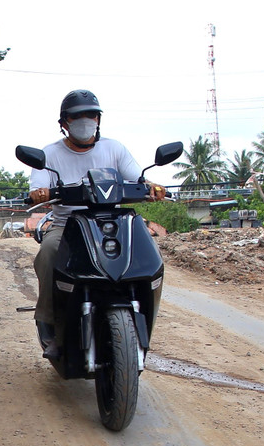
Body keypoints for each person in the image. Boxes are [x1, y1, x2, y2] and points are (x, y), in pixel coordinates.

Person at [27, 89, 165, 358]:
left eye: (91, 115)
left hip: (113, 222)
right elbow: (38, 187)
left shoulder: (114, 148)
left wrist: (152, 187)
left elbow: (137, 180)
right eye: (77, 116)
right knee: (48, 253)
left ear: (99, 119)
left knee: (151, 255)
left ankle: (145, 315)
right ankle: (48, 322)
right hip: (67, 226)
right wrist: (39, 193)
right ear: (64, 123)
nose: (85, 121)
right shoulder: (50, 154)